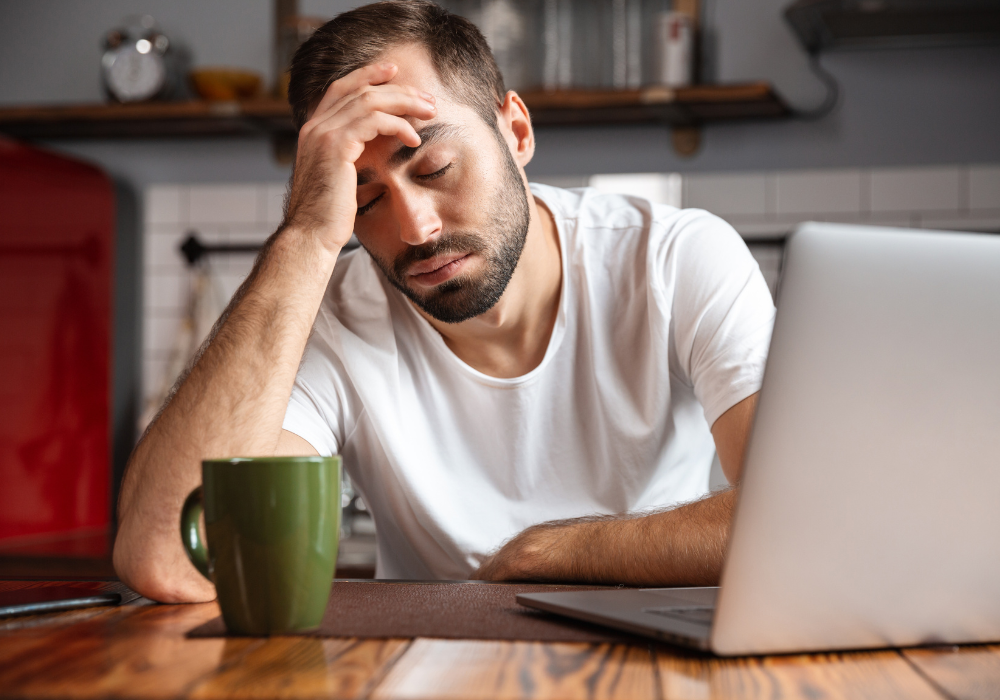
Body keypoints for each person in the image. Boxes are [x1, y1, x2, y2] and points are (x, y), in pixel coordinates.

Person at [113, 0, 774, 603]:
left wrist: (552, 552)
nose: (416, 229)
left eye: (435, 169)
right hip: (425, 661)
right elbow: (168, 560)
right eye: (365, 200)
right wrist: (307, 235)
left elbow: (801, 512)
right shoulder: (328, 315)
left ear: (515, 132)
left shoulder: (675, 257)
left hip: (649, 660)